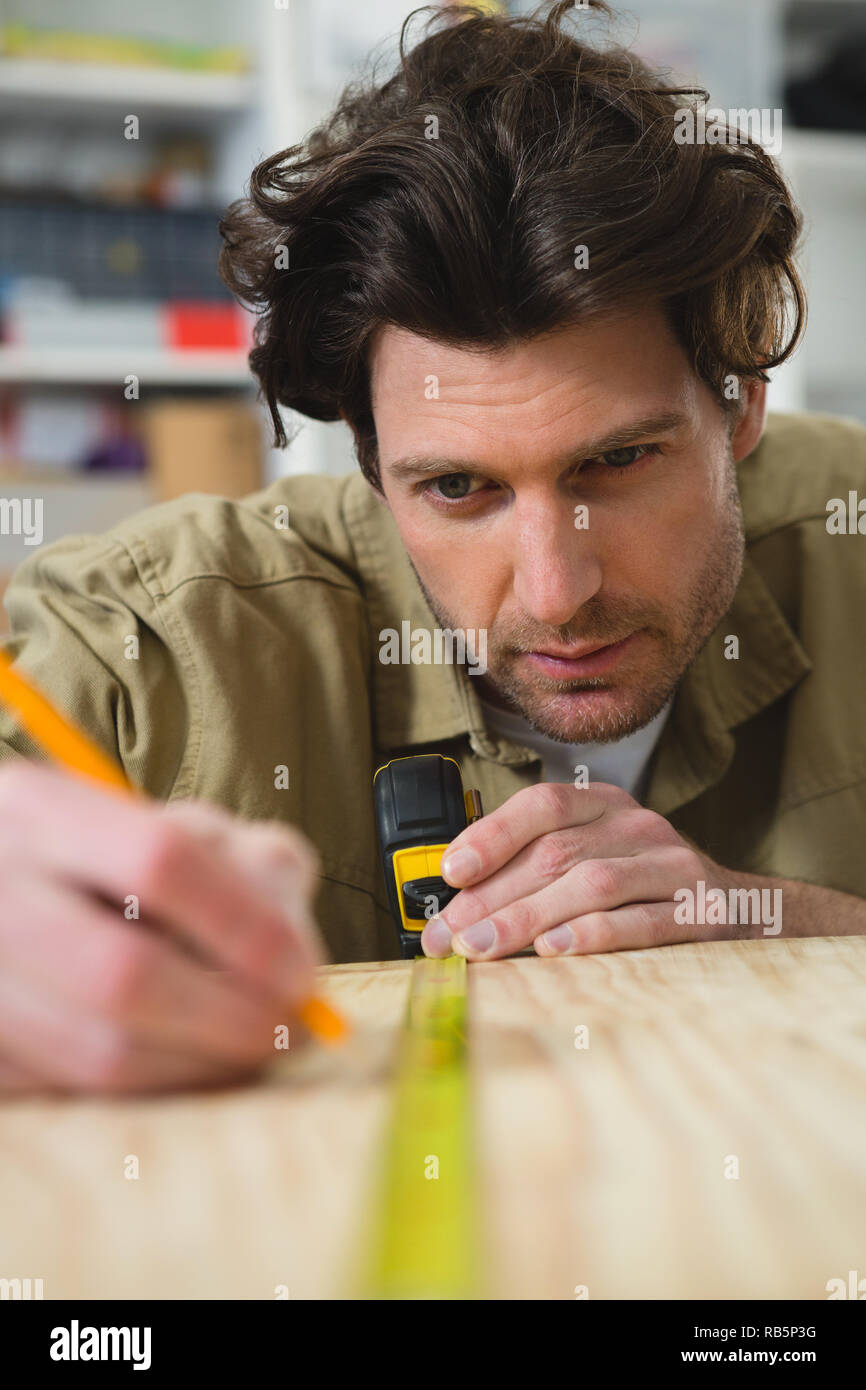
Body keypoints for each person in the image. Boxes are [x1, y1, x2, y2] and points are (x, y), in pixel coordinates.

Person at [2, 0, 864, 1094]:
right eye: (458, 487)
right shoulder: (151, 643)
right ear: (367, 463)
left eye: (616, 463)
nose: (556, 594)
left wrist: (776, 919)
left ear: (738, 403)